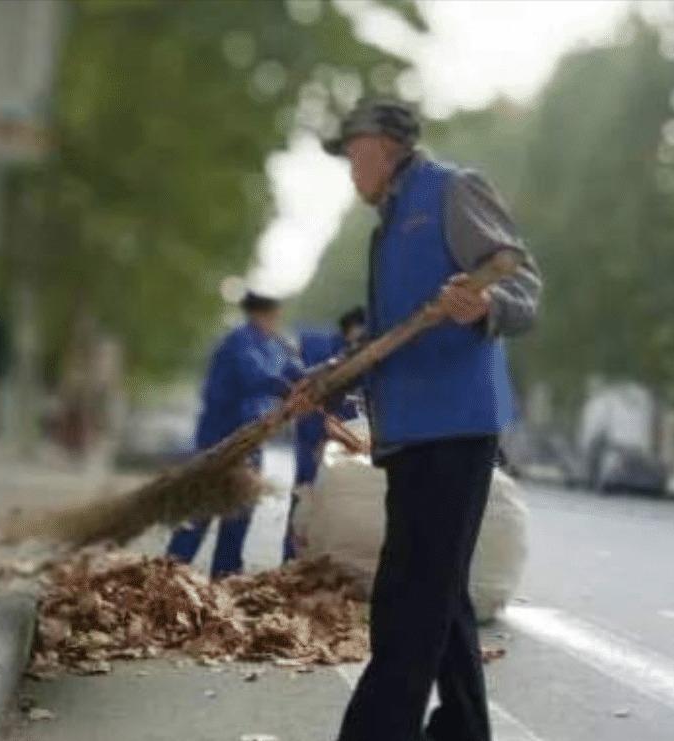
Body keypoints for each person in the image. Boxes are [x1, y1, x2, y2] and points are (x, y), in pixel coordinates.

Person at [308, 98, 542, 741]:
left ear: (385, 146)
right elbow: (392, 339)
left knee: (409, 598)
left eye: (353, 155)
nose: (351, 171)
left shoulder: (450, 191)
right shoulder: (389, 225)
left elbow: (526, 291)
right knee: (440, 593)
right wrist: (336, 375)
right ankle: (464, 728)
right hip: (411, 434)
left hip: (456, 427)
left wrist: (485, 303)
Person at [166, 291, 302, 578]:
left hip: (251, 440)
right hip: (220, 437)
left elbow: (295, 371)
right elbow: (257, 376)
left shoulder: (274, 344)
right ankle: (171, 570)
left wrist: (318, 377)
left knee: (240, 507)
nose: (277, 320)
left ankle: (225, 573)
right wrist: (288, 386)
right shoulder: (239, 341)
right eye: (274, 315)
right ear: (259, 314)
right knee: (203, 505)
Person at [283, 306, 368, 562]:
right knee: (306, 496)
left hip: (352, 443)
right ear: (347, 331)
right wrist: (321, 439)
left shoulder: (372, 354)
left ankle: (334, 563)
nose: (359, 341)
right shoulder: (319, 350)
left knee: (347, 503)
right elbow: (295, 382)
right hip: (314, 439)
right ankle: (293, 562)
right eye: (357, 336)